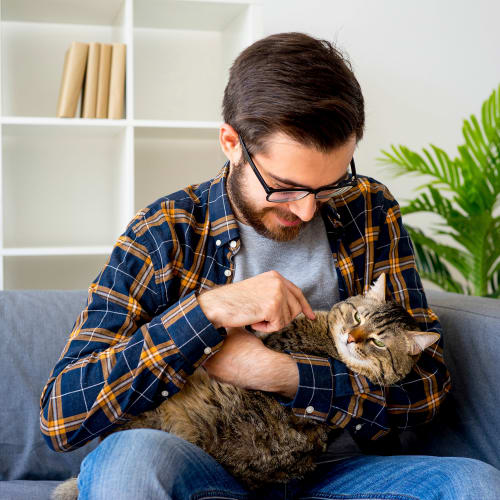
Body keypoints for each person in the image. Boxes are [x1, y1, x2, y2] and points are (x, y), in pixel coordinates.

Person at [40, 32, 500, 499]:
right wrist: (207, 312)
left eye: (327, 187)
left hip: (340, 476)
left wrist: (284, 374)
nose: (305, 211)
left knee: (474, 483)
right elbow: (62, 415)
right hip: (208, 472)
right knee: (130, 461)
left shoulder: (369, 209)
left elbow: (427, 389)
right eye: (285, 186)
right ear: (231, 143)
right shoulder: (165, 231)